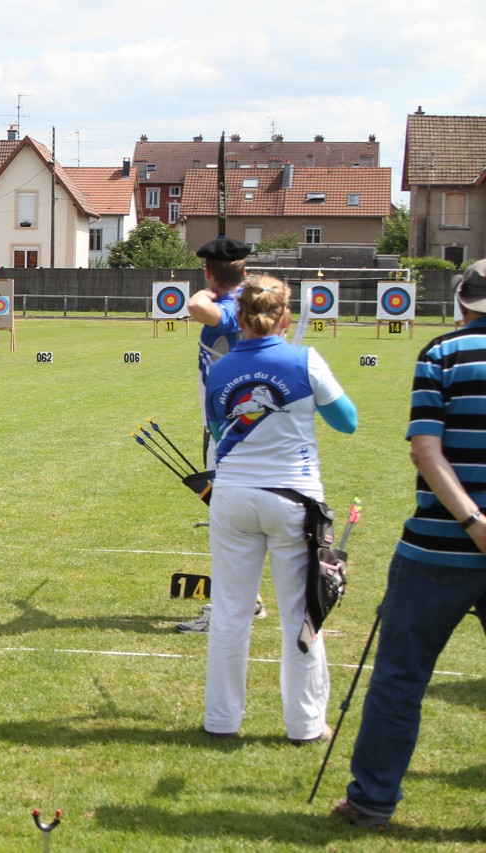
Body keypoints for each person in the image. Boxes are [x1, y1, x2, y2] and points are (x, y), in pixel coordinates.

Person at [334, 260, 486, 830]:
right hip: (443, 547)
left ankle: (371, 801)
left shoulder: (442, 355)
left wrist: (473, 521)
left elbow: (427, 450)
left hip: (436, 550)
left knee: (400, 678)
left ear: (462, 304)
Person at [201, 274, 357, 742]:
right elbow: (347, 421)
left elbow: (217, 424)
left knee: (231, 611)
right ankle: (306, 725)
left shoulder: (222, 367)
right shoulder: (304, 359)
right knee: (300, 613)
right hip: (293, 499)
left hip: (232, 498)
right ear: (284, 316)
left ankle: (221, 721)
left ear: (241, 318)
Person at [178, 235, 265, 632]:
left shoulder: (229, 309)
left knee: (227, 526)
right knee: (239, 522)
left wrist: (208, 289)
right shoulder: (255, 304)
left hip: (229, 433)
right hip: (242, 427)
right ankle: (251, 600)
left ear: (210, 272)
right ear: (244, 271)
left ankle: (230, 611)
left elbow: (195, 306)